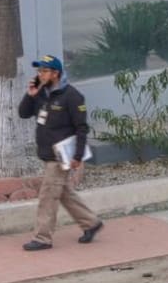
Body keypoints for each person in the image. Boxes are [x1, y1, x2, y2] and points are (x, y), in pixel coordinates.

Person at [17, 55, 103, 252]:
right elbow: (23, 113)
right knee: (63, 193)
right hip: (46, 153)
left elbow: (81, 128)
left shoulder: (72, 96)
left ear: (56, 74)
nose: (40, 75)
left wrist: (78, 156)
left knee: (48, 196)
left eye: (44, 71)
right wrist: (30, 95)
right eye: (39, 71)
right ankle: (91, 223)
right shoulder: (41, 93)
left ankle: (43, 238)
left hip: (60, 155)